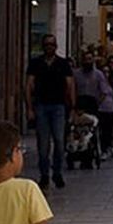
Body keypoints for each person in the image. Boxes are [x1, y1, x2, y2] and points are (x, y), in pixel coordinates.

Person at [25, 35, 74, 190]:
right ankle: (44, 175)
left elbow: (70, 85)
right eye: (46, 44)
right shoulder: (35, 64)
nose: (49, 47)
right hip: (41, 106)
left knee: (59, 142)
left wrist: (73, 107)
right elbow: (28, 85)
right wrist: (29, 108)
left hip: (59, 106)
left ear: (56, 46)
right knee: (43, 144)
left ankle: (57, 172)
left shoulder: (63, 64)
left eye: (52, 44)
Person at [72, 49, 113, 163]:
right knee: (76, 129)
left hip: (92, 105)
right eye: (86, 59)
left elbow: (104, 91)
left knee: (92, 131)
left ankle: (91, 153)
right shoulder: (76, 74)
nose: (88, 61)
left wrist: (97, 103)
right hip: (79, 104)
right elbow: (73, 89)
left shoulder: (98, 75)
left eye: (90, 59)